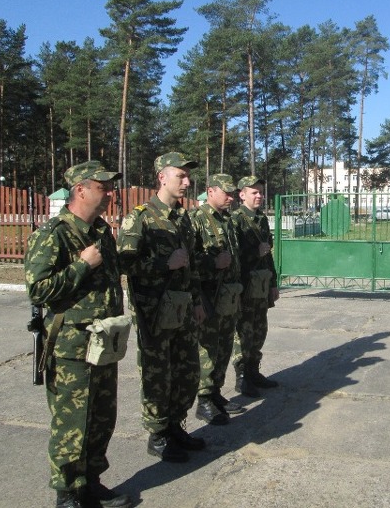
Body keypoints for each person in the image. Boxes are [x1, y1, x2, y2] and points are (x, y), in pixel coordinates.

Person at [24, 161, 132, 508]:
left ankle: (92, 481)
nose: (110, 193)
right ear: (80, 189)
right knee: (73, 422)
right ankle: (68, 492)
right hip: (71, 346)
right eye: (103, 186)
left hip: (103, 342)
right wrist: (83, 265)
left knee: (102, 416)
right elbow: (38, 290)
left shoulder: (102, 231)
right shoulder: (53, 234)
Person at [117, 152, 206, 463]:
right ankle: (158, 434)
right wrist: (162, 264)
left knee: (188, 372)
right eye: (180, 176)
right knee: (158, 375)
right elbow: (124, 263)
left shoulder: (183, 218)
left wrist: (197, 300)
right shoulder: (140, 217)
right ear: (162, 178)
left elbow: (191, 265)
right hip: (154, 312)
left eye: (188, 176)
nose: (187, 181)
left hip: (182, 309)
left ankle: (175, 425)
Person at [191, 173, 245, 424]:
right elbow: (189, 261)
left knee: (224, 347)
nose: (231, 198)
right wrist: (213, 262)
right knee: (209, 349)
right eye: (227, 193)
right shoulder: (198, 220)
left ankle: (215, 392)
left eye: (233, 193)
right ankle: (204, 400)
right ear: (210, 191)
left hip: (228, 296)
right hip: (209, 296)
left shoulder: (227, 220)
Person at [230, 176, 279, 398]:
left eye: (261, 192)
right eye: (254, 192)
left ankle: (253, 371)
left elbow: (268, 255)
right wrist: (254, 253)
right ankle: (242, 378)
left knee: (260, 330)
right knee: (244, 333)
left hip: (261, 285)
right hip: (245, 287)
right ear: (242, 195)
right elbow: (232, 257)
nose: (259, 196)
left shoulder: (261, 220)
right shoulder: (236, 220)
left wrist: (273, 284)